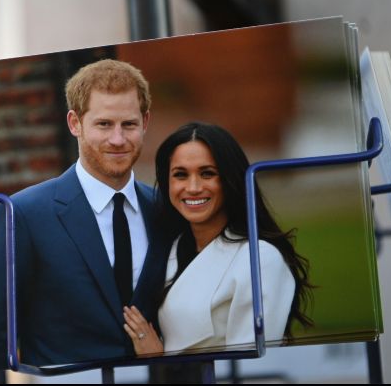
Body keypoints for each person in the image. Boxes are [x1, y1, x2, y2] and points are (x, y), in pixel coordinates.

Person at [0, 59, 173, 371]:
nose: (118, 139)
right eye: (104, 124)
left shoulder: (165, 208)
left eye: (129, 124)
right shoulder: (23, 214)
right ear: (74, 123)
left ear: (145, 122)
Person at [123, 122, 313, 355]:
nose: (193, 187)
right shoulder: (170, 249)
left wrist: (158, 359)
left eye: (207, 173)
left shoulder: (260, 259)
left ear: (229, 179)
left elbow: (251, 370)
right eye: (180, 175)